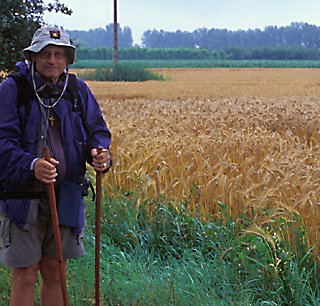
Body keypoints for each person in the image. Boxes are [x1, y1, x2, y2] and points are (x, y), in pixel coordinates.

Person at [0, 26, 112, 305]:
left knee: (56, 272)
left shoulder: (77, 89)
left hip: (68, 195)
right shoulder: (13, 89)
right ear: (33, 57)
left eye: (59, 54)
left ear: (67, 59)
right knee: (25, 273)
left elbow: (97, 131)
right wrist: (32, 164)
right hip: (22, 199)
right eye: (46, 53)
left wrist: (100, 155)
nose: (52, 60)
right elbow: (2, 141)